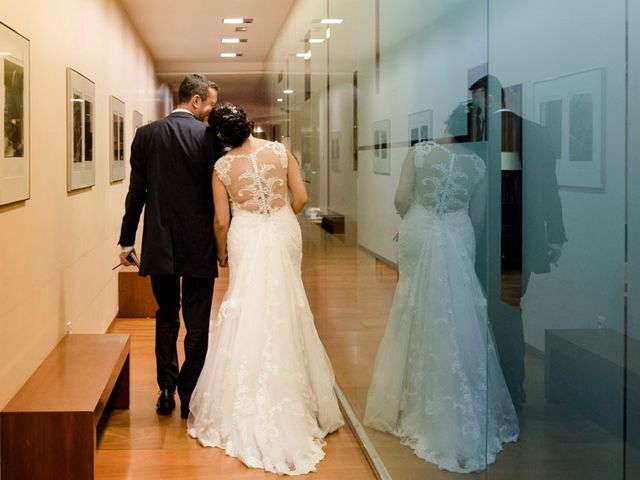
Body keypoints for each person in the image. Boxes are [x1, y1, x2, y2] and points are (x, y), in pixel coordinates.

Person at [187, 103, 344, 475]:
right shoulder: (278, 150)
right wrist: (279, 214)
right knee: (288, 302)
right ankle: (301, 398)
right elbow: (302, 198)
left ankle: (249, 397)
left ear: (221, 135)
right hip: (282, 228)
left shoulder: (222, 168)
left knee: (249, 303)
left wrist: (222, 255)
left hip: (246, 233)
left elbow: (221, 222)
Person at [364, 104, 519, 473]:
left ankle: (408, 399)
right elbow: (478, 216)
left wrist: (417, 214)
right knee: (458, 306)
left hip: (419, 229)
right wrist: (454, 227)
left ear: (447, 124)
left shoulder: (421, 152)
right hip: (457, 231)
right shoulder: (477, 164)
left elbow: (402, 199)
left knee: (412, 303)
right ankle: (456, 392)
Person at [118, 74, 222, 419]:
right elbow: (219, 198)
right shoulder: (210, 138)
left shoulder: (146, 135)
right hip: (199, 243)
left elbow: (137, 194)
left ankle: (165, 390)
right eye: (209, 102)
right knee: (197, 322)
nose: (211, 109)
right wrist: (226, 242)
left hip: (159, 243)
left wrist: (126, 239)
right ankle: (189, 393)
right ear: (194, 101)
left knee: (166, 316)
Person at [469, 75, 567, 404]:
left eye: (478, 101)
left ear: (486, 99)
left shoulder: (484, 138)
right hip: (523, 241)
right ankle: (513, 385)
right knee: (509, 311)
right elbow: (549, 190)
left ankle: (501, 387)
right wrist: (556, 236)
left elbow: (481, 196)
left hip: (492, 242)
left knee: (493, 314)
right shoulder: (539, 133)